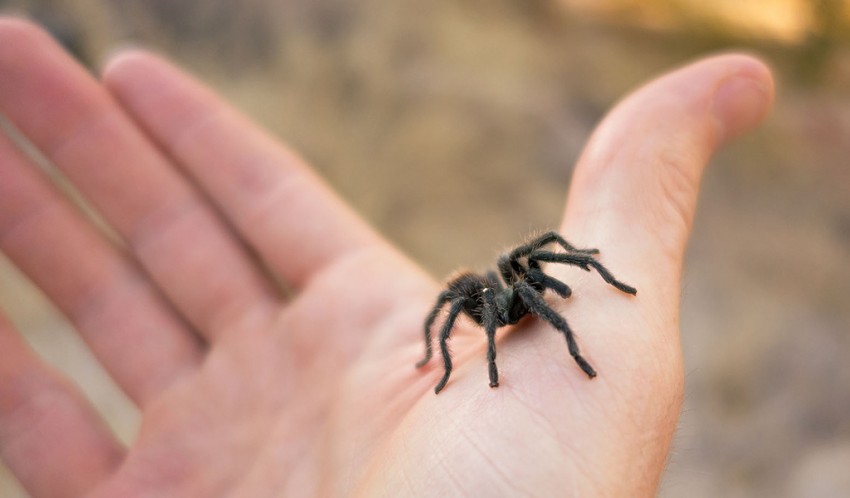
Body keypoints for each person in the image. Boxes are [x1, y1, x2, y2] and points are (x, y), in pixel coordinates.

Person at [0, 17, 773, 497]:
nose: (527, 288)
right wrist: (468, 360)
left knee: (528, 251)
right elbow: (457, 306)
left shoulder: (533, 279)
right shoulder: (487, 302)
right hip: (489, 335)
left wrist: (595, 272)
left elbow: (553, 254)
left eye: (531, 284)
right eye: (521, 288)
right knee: (470, 282)